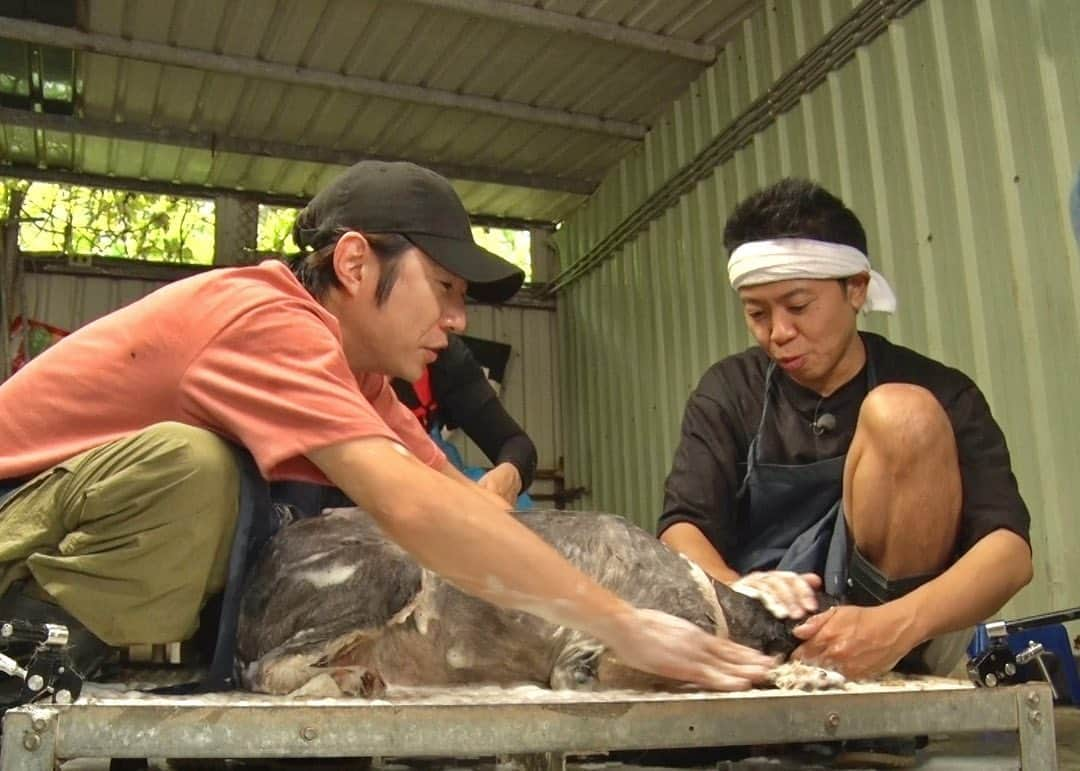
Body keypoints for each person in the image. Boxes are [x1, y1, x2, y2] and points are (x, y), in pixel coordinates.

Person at [0, 161, 775, 700]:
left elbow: (460, 503)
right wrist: (618, 624)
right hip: (17, 520)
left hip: (71, 531)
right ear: (355, 262)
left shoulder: (360, 376)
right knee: (197, 470)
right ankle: (21, 649)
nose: (458, 320)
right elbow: (412, 510)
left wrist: (703, 596)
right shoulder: (268, 320)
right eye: (442, 286)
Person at [658, 178, 1032, 682]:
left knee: (903, 416)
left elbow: (1009, 553)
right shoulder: (729, 390)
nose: (778, 333)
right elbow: (683, 527)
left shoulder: (941, 390)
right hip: (762, 637)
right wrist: (738, 594)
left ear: (855, 288)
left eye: (797, 306)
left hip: (901, 635)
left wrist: (893, 626)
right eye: (757, 313)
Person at [392, 333, 537, 505]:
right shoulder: (360, 395)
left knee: (516, 505)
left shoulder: (446, 355)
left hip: (421, 465)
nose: (458, 323)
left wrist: (508, 476)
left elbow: (514, 442)